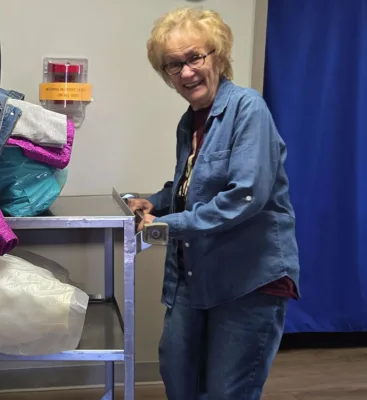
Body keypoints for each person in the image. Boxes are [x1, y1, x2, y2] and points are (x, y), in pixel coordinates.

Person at [128, 7, 301, 399]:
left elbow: (244, 196)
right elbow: (192, 185)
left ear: (218, 56)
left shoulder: (248, 108)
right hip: (195, 275)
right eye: (174, 65)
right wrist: (151, 201)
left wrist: (167, 225)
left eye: (195, 57)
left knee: (228, 391)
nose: (186, 72)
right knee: (178, 375)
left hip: (249, 280)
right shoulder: (191, 121)